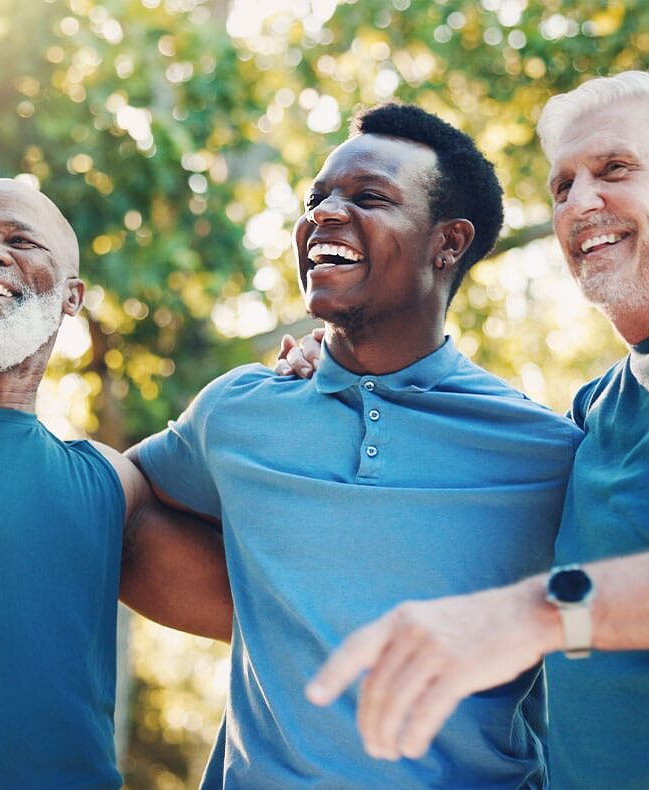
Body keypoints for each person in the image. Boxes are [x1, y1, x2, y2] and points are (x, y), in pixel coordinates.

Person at [130, 104, 581, 787]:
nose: (326, 214)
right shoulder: (237, 412)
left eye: (369, 197)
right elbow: (115, 512)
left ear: (449, 243)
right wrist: (277, 621)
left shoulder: (545, 452)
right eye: (316, 199)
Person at [305, 71, 649, 788]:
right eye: (562, 187)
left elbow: (549, 611)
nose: (580, 203)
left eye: (614, 169)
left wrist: (541, 614)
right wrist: (336, 361)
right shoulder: (596, 413)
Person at [0, 178, 231, 788]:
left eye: (19, 241)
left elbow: (274, 609)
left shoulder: (109, 485)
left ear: (72, 296)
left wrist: (314, 384)